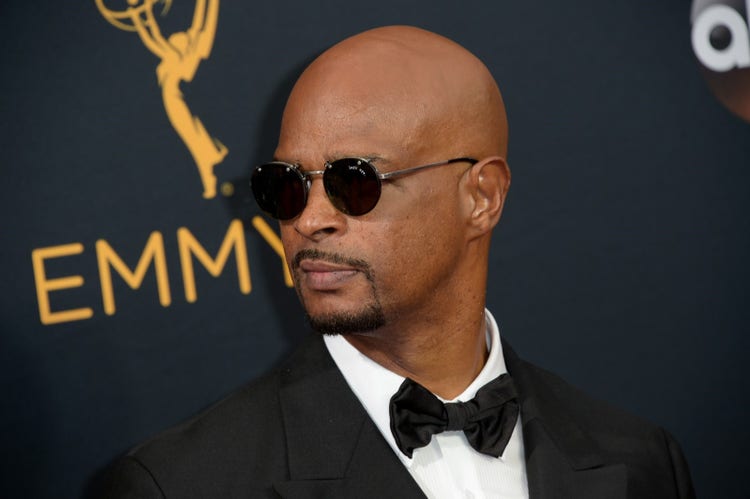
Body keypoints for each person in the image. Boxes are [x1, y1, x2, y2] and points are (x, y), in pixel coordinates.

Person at [106, 26, 696, 498]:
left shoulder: (641, 461)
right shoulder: (181, 485)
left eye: (354, 181)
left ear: (482, 197)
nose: (309, 220)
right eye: (286, 185)